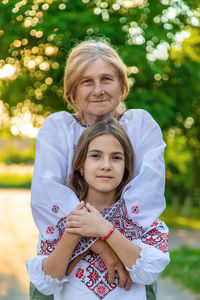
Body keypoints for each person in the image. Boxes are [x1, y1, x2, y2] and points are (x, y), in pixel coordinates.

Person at [30, 39, 166, 299]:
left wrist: (107, 234)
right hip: (64, 260)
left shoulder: (141, 126)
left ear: (122, 86)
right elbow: (48, 198)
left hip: (130, 259)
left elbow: (146, 196)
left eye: (106, 79)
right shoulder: (58, 129)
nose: (98, 90)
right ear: (72, 91)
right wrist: (102, 245)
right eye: (86, 81)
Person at [27, 118, 170, 300]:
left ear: (126, 167)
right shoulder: (60, 219)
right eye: (95, 156)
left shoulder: (139, 219)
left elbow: (148, 273)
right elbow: (46, 284)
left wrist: (105, 229)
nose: (106, 165)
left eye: (116, 157)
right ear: (81, 165)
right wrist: (75, 231)